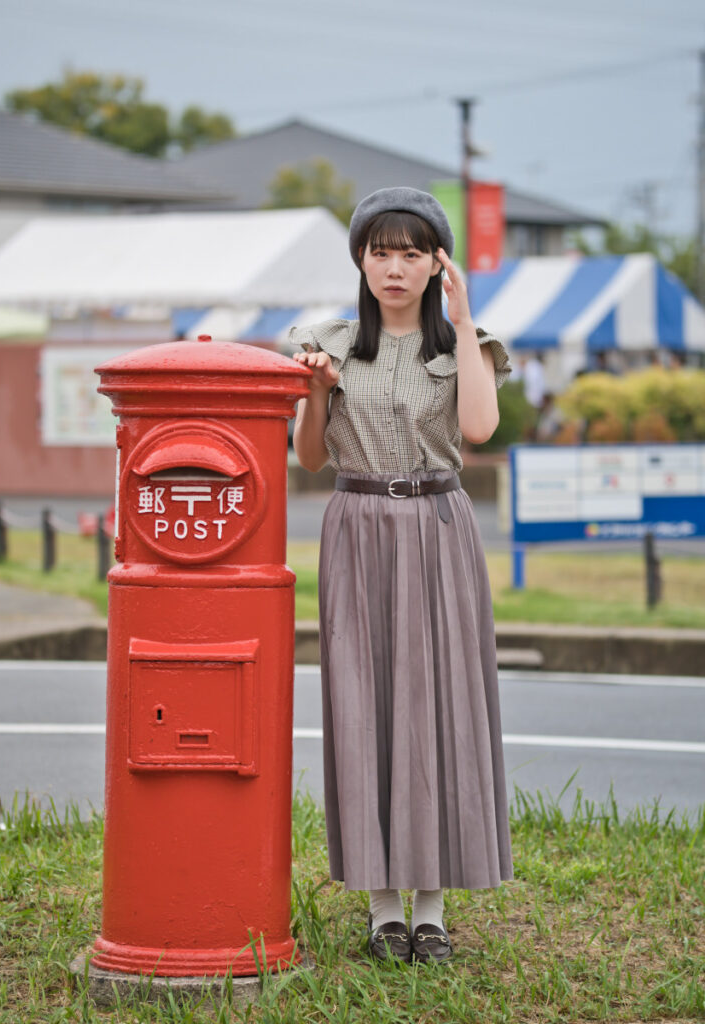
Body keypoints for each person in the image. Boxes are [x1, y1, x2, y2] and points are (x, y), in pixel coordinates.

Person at [290, 187, 513, 966]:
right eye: (381, 251)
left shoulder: (463, 346)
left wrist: (463, 309)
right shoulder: (329, 344)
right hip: (356, 528)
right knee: (365, 706)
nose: (395, 267)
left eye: (413, 252)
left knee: (440, 707)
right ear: (360, 258)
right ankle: (385, 910)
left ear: (435, 262)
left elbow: (480, 429)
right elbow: (311, 458)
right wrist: (316, 392)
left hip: (438, 529)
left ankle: (432, 911)